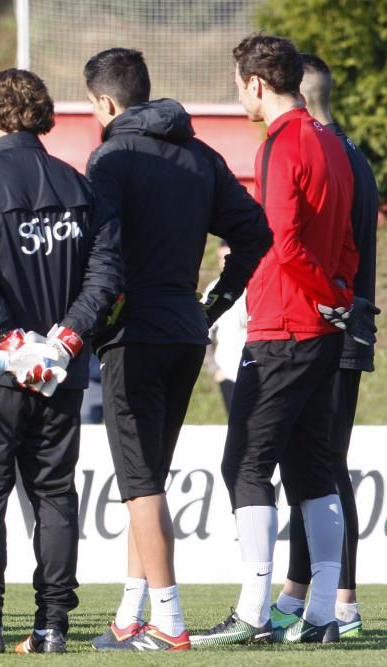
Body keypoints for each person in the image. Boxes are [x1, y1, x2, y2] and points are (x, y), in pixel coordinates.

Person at [82, 48, 271, 652]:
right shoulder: (201, 155)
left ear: (106, 103)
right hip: (185, 334)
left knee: (139, 483)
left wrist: (83, 323)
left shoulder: (110, 158)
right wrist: (214, 304)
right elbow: (255, 232)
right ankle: (130, 615)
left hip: (133, 336)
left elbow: (100, 257)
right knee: (150, 479)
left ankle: (168, 622)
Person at [0, 68, 124, 655]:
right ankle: (51, 627)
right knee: (54, 493)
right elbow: (105, 274)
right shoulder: (80, 185)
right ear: (42, 116)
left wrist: (10, 338)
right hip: (59, 368)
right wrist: (67, 337)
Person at [192, 33, 359, 647]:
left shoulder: (282, 144)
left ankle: (254, 611)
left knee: (246, 464)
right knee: (314, 467)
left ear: (256, 84)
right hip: (317, 326)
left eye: (240, 85)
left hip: (286, 325)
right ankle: (321, 615)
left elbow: (283, 241)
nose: (240, 95)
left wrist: (320, 292)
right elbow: (346, 240)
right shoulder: (329, 141)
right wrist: (338, 292)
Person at [271, 52, 380, 640]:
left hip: (330, 325)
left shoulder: (327, 155)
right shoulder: (352, 156)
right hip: (345, 322)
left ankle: (341, 600)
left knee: (324, 467)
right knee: (315, 463)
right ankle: (302, 591)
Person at [204, 242, 248, 414]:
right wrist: (214, 369)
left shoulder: (252, 287)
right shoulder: (214, 289)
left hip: (255, 372)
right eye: (220, 258)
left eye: (227, 258)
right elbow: (204, 331)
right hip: (228, 373)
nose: (224, 263)